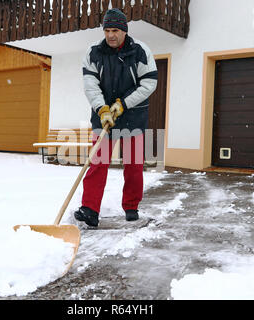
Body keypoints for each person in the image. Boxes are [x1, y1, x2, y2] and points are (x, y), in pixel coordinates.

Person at [73, 8, 158, 227]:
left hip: (133, 115)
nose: (111, 35)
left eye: (115, 30)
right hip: (103, 117)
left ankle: (131, 206)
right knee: (97, 162)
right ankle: (90, 209)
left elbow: (149, 83)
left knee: (133, 164)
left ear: (124, 31)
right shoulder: (94, 52)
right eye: (107, 30)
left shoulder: (139, 50)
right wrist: (102, 109)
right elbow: (90, 84)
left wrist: (123, 104)